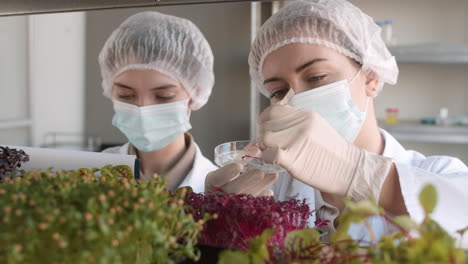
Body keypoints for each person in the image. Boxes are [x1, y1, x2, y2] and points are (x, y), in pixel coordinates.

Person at [205, 0, 468, 246]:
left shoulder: (442, 173)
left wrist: (361, 175)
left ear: (371, 77)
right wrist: (219, 221)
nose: (297, 100)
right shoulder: (270, 188)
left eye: (317, 77)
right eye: (278, 91)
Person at [99, 11, 217, 192]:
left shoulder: (218, 187)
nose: (142, 109)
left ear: (195, 94)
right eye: (125, 95)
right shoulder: (93, 175)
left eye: (164, 96)